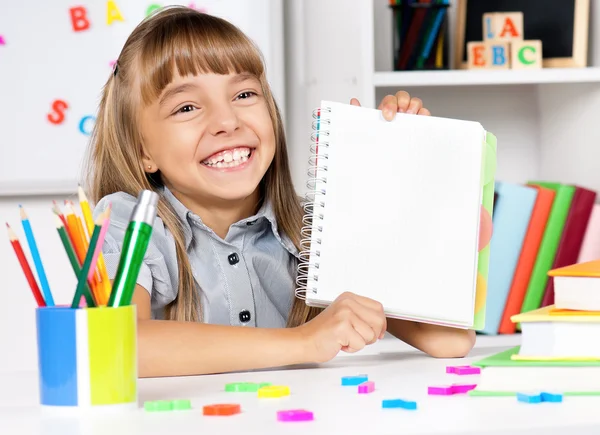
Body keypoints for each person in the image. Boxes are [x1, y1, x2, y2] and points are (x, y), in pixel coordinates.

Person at [86, 6, 475, 378]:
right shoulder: (131, 223)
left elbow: (450, 339)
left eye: (243, 95)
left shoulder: (314, 229)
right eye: (187, 107)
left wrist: (402, 178)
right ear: (143, 151)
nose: (226, 121)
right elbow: (117, 344)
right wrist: (304, 342)